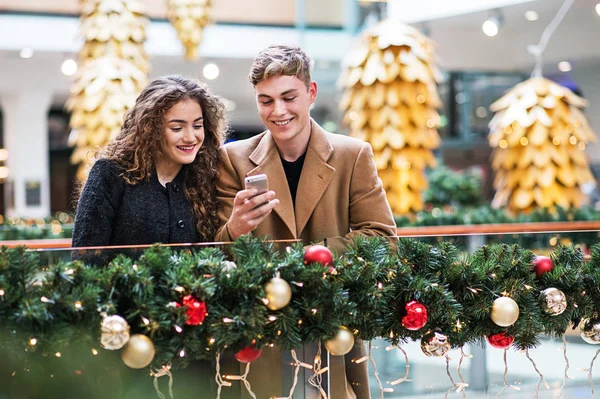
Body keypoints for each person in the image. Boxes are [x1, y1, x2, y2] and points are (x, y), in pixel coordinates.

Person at [216, 44, 396, 399]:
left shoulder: (352, 154)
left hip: (332, 329)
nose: (278, 111)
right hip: (259, 337)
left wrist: (310, 257)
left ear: (311, 93)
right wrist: (234, 228)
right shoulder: (232, 159)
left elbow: (383, 239)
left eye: (288, 97)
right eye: (266, 100)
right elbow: (215, 250)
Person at [72, 75, 227, 254]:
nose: (191, 137)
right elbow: (85, 259)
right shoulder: (110, 173)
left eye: (197, 126)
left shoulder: (206, 177)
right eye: (177, 128)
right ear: (150, 129)